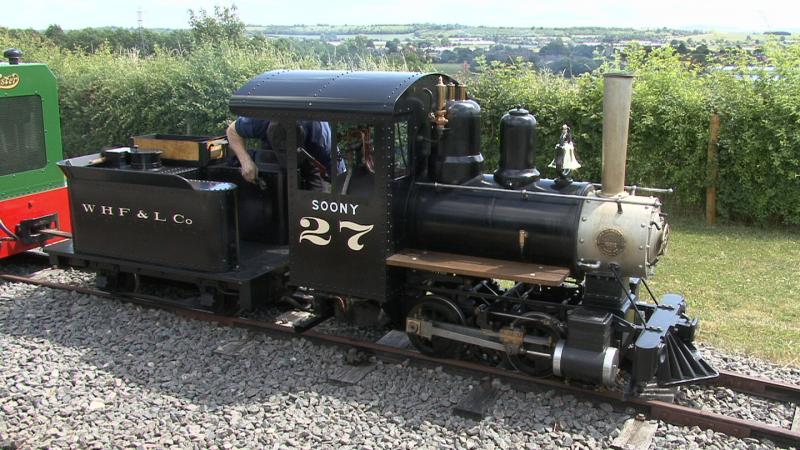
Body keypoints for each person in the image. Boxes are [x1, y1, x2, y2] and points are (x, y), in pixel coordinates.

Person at [226, 117, 343, 191]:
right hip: (273, 157)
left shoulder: (320, 138)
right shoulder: (261, 121)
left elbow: (339, 176)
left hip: (311, 161)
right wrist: (246, 161)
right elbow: (232, 131)